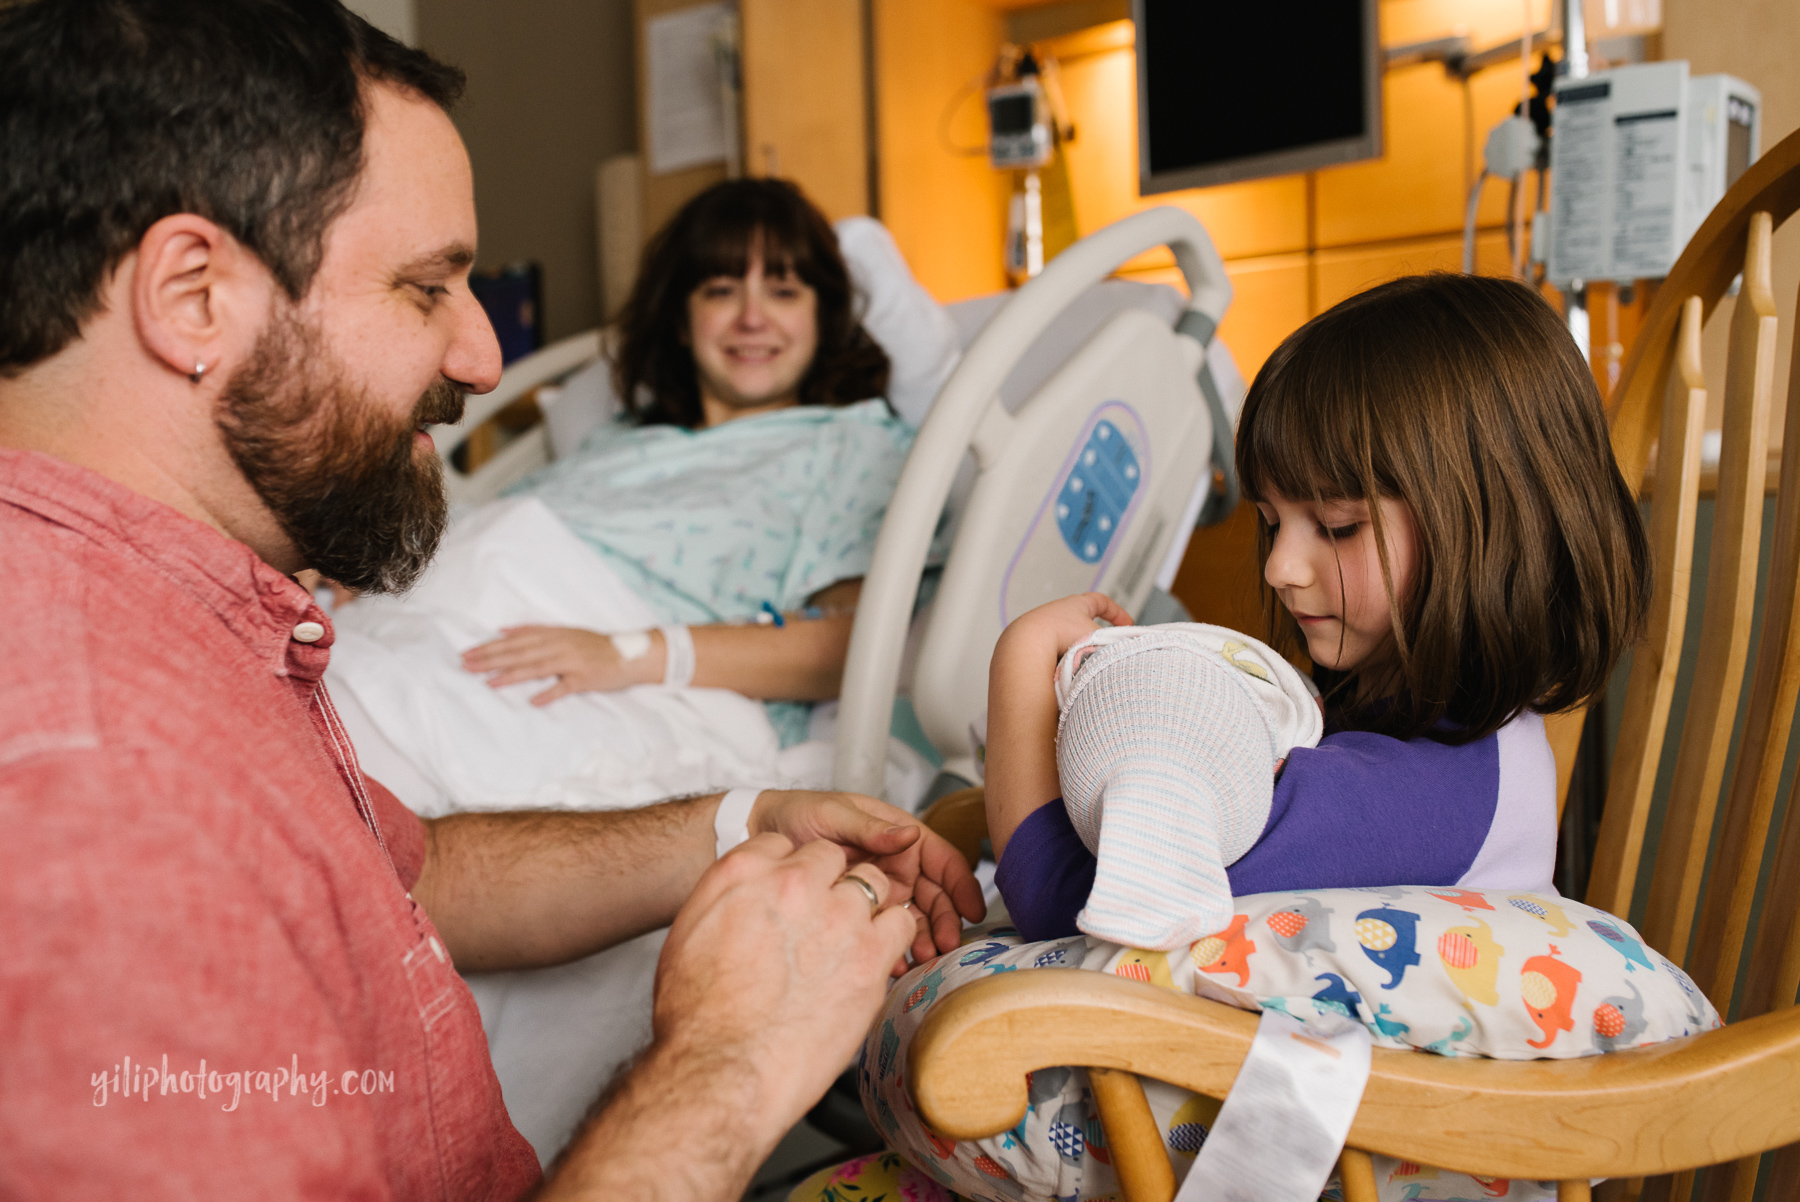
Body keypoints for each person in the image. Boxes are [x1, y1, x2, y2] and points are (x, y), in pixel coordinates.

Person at [0, 2, 982, 1199]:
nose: (481, 355)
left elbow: (404, 872)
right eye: (425, 288)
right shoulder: (96, 794)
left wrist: (740, 821)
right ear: (194, 298)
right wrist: (731, 1060)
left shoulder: (188, 615)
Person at [985, 272, 1653, 944]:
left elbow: (1070, 902)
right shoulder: (1424, 731)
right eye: (1274, 523)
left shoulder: (1425, 792)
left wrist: (1021, 659)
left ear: (1496, 528)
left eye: (1336, 527)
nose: (1279, 568)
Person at [458, 178, 914, 746]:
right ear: (681, 319)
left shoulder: (854, 448)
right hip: (454, 615)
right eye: (722, 290)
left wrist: (628, 654)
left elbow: (850, 645)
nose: (752, 318)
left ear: (824, 317)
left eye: (784, 292)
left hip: (598, 682)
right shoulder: (618, 442)